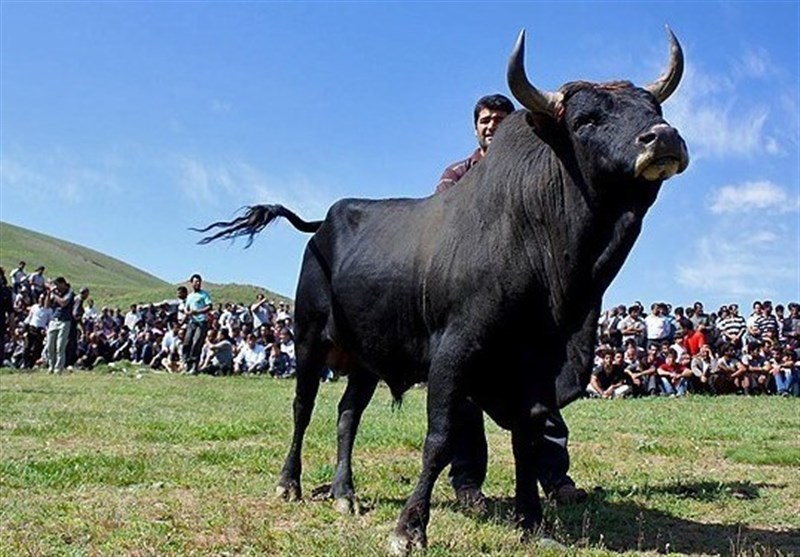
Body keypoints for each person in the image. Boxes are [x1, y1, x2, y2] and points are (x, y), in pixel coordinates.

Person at [436, 93, 587, 508]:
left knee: (541, 387)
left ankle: (555, 478)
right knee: (464, 394)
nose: (492, 125)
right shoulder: (457, 174)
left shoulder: (539, 169)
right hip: (472, 302)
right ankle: (467, 485)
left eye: (501, 119)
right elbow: (445, 225)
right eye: (485, 120)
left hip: (526, 301)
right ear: (475, 128)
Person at [182, 273, 212, 374]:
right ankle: (186, 364)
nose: (198, 283)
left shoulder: (204, 294)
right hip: (192, 322)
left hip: (202, 322)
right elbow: (186, 308)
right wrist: (186, 313)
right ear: (191, 283)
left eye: (199, 282)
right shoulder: (190, 296)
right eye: (195, 282)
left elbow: (209, 306)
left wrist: (198, 312)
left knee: (196, 343)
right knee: (187, 342)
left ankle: (194, 366)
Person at [45, 277, 75, 374]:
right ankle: (51, 366)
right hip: (54, 320)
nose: (56, 287)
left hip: (64, 321)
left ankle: (59, 368)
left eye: (57, 284)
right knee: (50, 345)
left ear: (63, 284)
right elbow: (46, 306)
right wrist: (49, 293)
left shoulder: (69, 293)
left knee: (60, 346)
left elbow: (63, 303)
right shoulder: (55, 293)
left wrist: (54, 294)